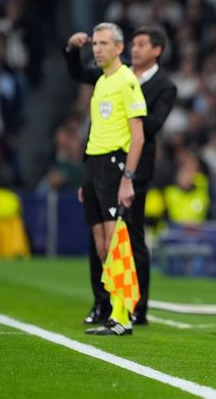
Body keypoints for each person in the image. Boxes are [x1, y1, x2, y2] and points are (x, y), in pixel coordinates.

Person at [65, 25, 177, 327]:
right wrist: (72, 50)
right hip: (97, 163)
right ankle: (107, 304)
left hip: (125, 165)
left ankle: (129, 310)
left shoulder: (135, 83)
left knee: (126, 240)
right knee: (102, 242)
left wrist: (128, 174)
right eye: (95, 43)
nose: (136, 49)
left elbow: (143, 131)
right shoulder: (106, 79)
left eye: (142, 44)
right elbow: (80, 78)